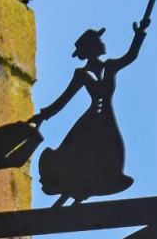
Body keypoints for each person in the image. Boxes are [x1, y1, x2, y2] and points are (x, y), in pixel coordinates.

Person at [29, 18, 149, 205]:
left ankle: (80, 196)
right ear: (92, 47)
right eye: (99, 41)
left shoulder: (109, 67)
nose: (103, 44)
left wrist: (139, 33)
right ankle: (66, 197)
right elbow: (64, 99)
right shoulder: (81, 74)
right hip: (89, 125)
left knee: (107, 157)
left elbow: (130, 56)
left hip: (106, 123)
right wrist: (44, 115)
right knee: (76, 160)